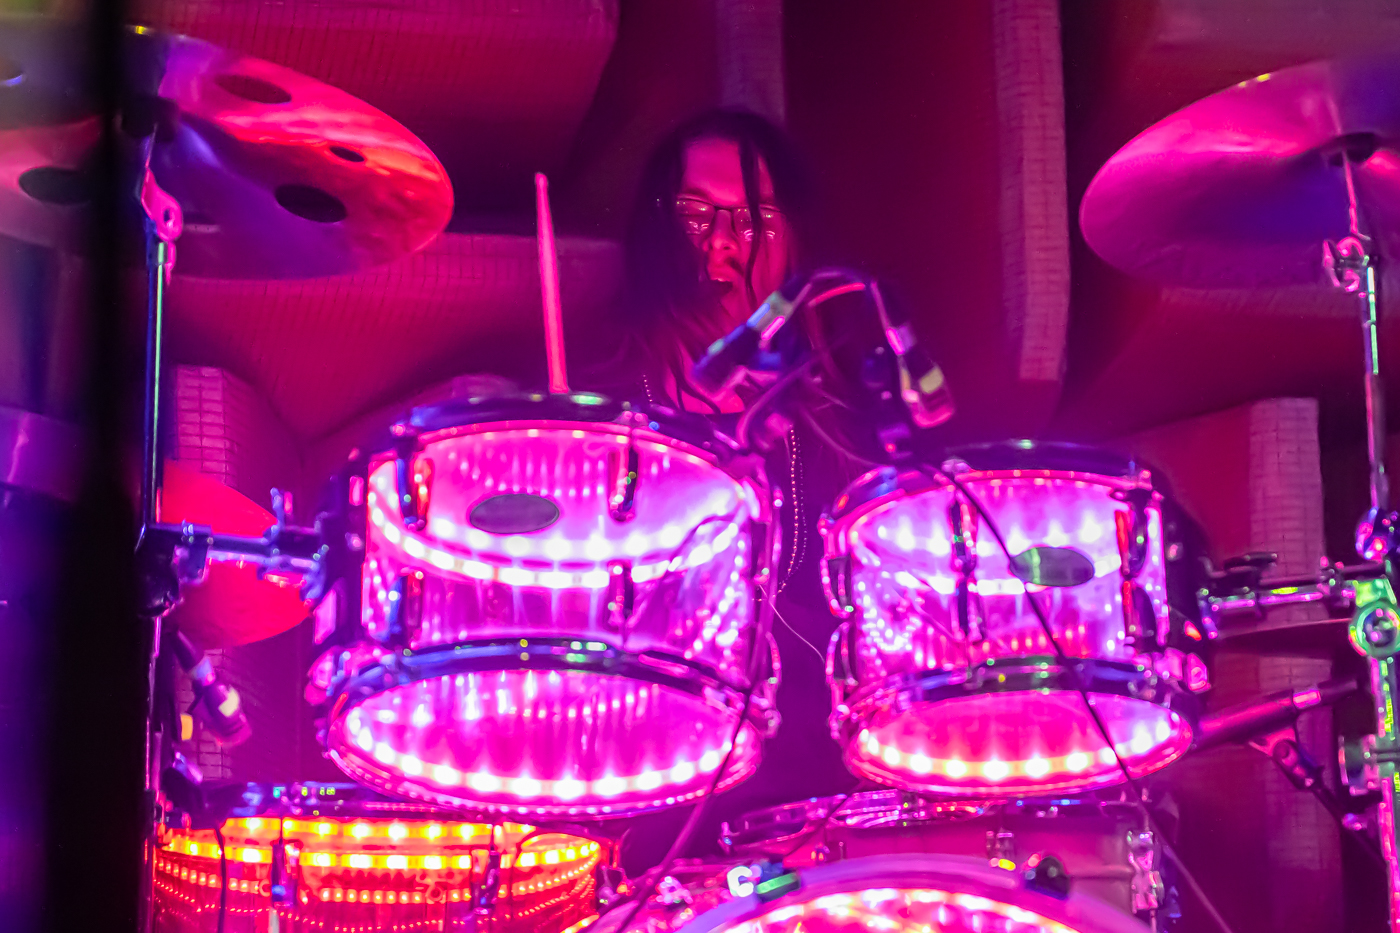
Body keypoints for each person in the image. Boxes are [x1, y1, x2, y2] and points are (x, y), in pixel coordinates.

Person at [589, 109, 869, 874]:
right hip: (639, 779)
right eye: (696, 214)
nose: (725, 241)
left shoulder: (840, 427)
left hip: (809, 801)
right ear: (657, 227)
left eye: (753, 218)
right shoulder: (596, 405)